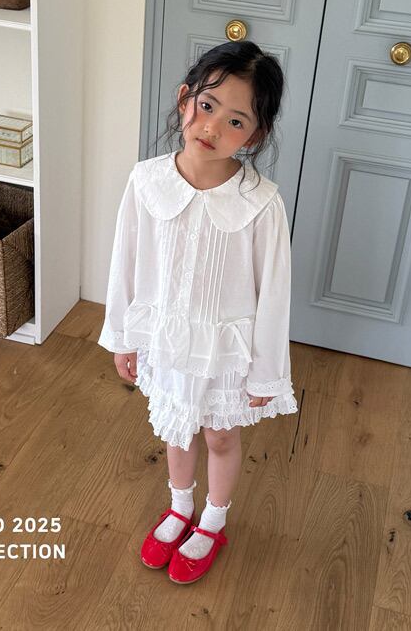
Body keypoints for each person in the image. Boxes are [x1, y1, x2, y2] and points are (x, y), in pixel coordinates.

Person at [97, 40, 298, 584]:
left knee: (220, 436)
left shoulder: (261, 202)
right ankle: (180, 507)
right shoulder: (147, 181)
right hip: (167, 339)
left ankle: (213, 520)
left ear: (254, 136)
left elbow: (274, 292)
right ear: (185, 99)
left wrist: (266, 372)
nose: (212, 127)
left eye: (235, 121)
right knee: (177, 429)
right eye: (206, 106)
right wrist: (123, 336)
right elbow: (125, 263)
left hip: (227, 350)